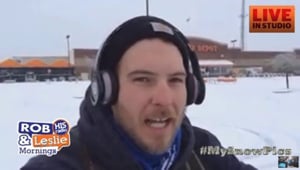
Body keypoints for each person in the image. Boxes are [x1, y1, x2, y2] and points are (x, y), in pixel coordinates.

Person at [21, 15, 257, 170]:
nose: (164, 99)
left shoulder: (203, 152)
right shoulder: (65, 163)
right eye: (143, 79)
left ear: (192, 89)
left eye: (176, 80)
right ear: (106, 90)